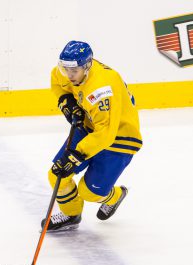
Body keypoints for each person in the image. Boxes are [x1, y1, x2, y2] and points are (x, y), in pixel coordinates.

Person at [41, 40, 142, 232]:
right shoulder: (68, 70)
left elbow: (106, 134)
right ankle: (71, 215)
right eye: (65, 69)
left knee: (90, 192)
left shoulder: (102, 89)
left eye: (74, 71)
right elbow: (57, 82)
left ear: (87, 67)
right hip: (90, 126)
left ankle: (115, 195)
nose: (69, 75)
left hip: (120, 137)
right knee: (57, 175)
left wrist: (75, 155)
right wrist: (67, 101)